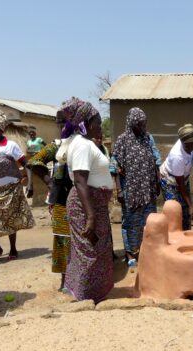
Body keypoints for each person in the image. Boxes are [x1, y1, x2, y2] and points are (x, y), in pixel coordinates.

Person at [63, 98, 114, 303]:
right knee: (90, 253)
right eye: (98, 122)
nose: (100, 127)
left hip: (93, 204)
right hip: (86, 206)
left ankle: (92, 295)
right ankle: (85, 298)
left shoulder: (84, 143)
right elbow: (80, 181)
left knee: (95, 250)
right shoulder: (83, 145)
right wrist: (90, 217)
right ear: (87, 122)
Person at [110, 108, 161, 269]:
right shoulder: (122, 140)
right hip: (130, 191)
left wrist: (158, 182)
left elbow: (156, 159)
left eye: (144, 124)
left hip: (148, 190)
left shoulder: (148, 138)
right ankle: (130, 253)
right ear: (132, 123)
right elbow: (115, 166)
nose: (142, 127)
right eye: (139, 124)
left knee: (148, 222)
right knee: (131, 223)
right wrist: (119, 190)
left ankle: (146, 251)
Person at [0, 111, 35, 262]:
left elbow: (27, 164)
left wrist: (29, 184)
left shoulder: (11, 146)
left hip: (11, 188)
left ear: (2, 130)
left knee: (11, 219)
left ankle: (13, 248)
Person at [27, 133, 73, 291]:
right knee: (62, 239)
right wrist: (49, 181)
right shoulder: (57, 146)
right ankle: (65, 280)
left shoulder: (85, 143)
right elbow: (33, 161)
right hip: (61, 198)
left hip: (82, 199)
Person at [160, 124, 193, 230]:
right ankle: (173, 238)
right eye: (187, 146)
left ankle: (185, 235)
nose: (190, 148)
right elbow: (180, 185)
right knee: (174, 211)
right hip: (170, 181)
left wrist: (189, 206)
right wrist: (191, 205)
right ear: (182, 142)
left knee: (186, 213)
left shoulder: (188, 142)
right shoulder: (177, 156)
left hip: (182, 178)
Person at [25, 127, 46, 198]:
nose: (31, 135)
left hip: (39, 157)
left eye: (33, 133)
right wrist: (30, 152)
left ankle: (29, 187)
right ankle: (30, 187)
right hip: (31, 157)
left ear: (35, 134)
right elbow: (27, 150)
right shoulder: (28, 142)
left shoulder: (39, 139)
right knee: (27, 167)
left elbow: (46, 146)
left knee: (30, 166)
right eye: (30, 134)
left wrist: (40, 152)